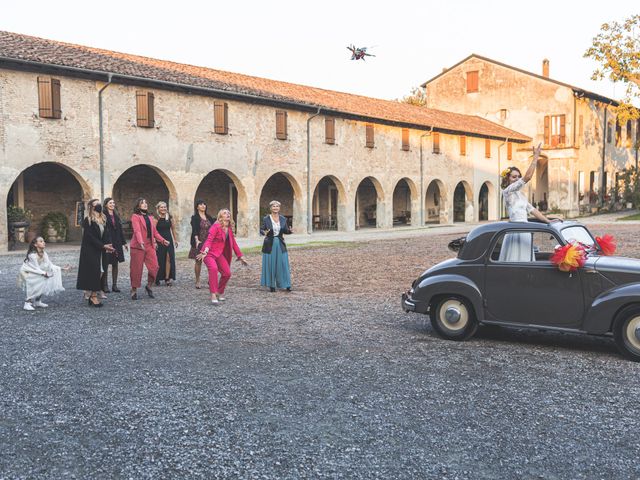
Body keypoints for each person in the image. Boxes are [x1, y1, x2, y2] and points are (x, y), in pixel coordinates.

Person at [500, 143, 552, 262]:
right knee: (514, 260)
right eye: (514, 177)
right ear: (507, 179)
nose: (517, 179)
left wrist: (548, 221)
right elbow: (527, 177)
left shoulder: (521, 195)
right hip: (515, 230)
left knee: (526, 260)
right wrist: (535, 158)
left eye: (518, 176)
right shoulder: (507, 191)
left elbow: (532, 210)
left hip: (525, 230)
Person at [196, 209, 247, 305]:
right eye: (225, 213)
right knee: (213, 269)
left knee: (227, 273)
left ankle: (220, 291)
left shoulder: (229, 228)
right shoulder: (216, 226)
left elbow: (234, 244)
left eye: (228, 213)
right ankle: (213, 294)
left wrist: (240, 256)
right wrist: (204, 251)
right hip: (209, 253)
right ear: (220, 216)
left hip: (219, 254)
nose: (227, 214)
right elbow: (209, 240)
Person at [129, 197, 170, 300]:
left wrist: (162, 240)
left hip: (149, 245)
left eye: (146, 202)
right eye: (142, 203)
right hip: (138, 246)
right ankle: (134, 289)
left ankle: (149, 286)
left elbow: (154, 232)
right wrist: (140, 241)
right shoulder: (135, 216)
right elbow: (137, 230)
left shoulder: (150, 217)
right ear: (138, 206)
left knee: (154, 267)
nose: (145, 204)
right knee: (136, 269)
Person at [77, 199, 114, 307]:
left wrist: (109, 244)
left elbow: (106, 233)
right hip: (91, 250)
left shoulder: (103, 218)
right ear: (92, 207)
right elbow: (90, 237)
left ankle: (92, 294)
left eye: (99, 203)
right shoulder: (88, 220)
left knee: (101, 271)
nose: (99, 205)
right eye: (96, 204)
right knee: (95, 272)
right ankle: (93, 296)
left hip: (101, 250)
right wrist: (102, 246)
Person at [18, 236, 68, 310]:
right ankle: (27, 303)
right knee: (36, 280)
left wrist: (62, 268)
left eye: (43, 241)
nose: (43, 242)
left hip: (35, 270)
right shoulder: (32, 255)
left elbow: (50, 265)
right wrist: (44, 273)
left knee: (45, 280)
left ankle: (37, 301)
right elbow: (35, 268)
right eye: (41, 241)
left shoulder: (44, 253)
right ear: (35, 244)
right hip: (27, 271)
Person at [260, 200, 293, 292]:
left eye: (277, 206)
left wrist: (290, 231)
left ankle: (286, 284)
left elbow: (285, 230)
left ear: (279, 208)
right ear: (270, 208)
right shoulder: (266, 218)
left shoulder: (283, 219)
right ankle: (271, 285)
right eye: (273, 206)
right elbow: (261, 229)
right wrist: (264, 232)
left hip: (280, 243)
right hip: (269, 244)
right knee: (271, 264)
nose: (275, 208)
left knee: (283, 263)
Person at [101, 197, 128, 293]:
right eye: (110, 203)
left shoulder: (116, 215)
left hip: (117, 242)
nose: (112, 204)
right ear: (106, 205)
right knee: (106, 264)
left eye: (113, 203)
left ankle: (114, 285)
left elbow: (120, 230)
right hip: (108, 241)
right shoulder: (103, 215)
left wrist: (124, 242)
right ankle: (104, 285)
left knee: (115, 263)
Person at [189, 200, 214, 289]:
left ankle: (211, 279)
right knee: (198, 261)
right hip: (199, 241)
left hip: (208, 242)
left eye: (204, 204)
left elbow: (214, 228)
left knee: (211, 262)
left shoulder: (209, 217)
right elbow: (194, 229)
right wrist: (196, 240)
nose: (203, 206)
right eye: (201, 204)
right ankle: (197, 280)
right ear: (197, 207)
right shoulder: (194, 217)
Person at [154, 201, 178, 286]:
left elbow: (173, 229)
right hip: (159, 240)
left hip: (169, 240)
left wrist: (175, 240)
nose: (164, 208)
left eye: (165, 207)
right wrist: (154, 242)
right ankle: (156, 277)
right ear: (158, 208)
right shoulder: (156, 218)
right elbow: (153, 231)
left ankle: (167, 278)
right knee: (159, 259)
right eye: (162, 207)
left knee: (169, 258)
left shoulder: (169, 217)